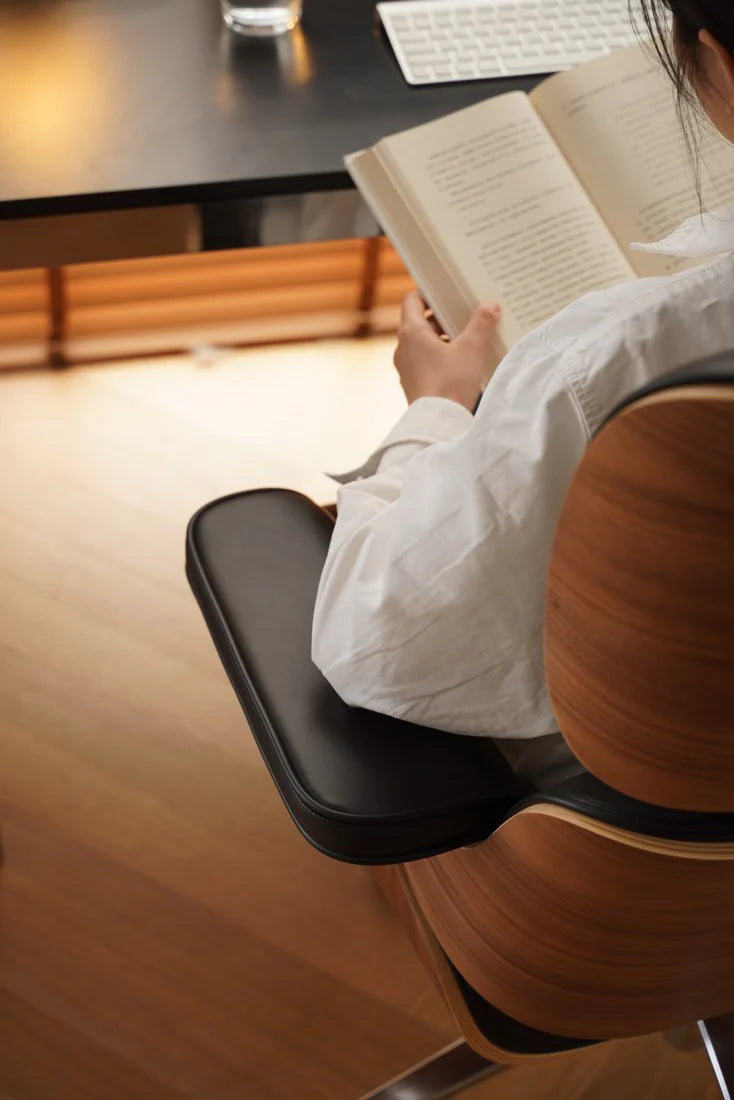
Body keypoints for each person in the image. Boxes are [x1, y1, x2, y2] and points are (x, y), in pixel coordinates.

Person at [311, 0, 734, 789]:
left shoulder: (606, 360)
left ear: (721, 65)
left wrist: (432, 410)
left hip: (632, 805)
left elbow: (380, 642)